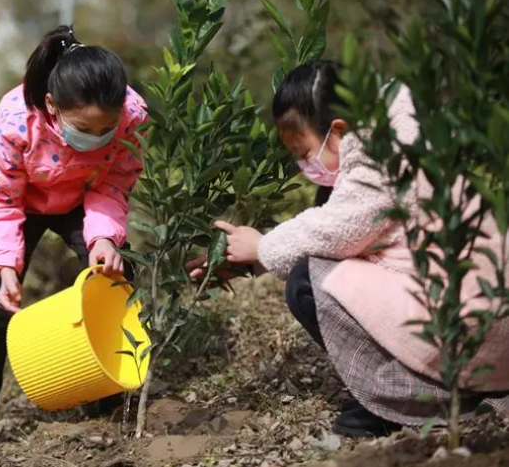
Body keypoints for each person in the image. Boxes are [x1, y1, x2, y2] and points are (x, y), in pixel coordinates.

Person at [191, 60, 509, 438]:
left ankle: (409, 398)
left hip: (473, 329)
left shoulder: (386, 152)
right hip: (479, 318)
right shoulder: (400, 136)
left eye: (304, 150)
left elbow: (340, 232)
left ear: (338, 130)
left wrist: (264, 248)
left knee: (307, 280)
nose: (303, 164)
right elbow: (355, 231)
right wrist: (250, 260)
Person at [0, 25, 147, 462]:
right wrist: (4, 269)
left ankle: (108, 389)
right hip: (17, 203)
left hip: (82, 198)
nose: (96, 136)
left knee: (118, 274)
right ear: (53, 107)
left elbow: (114, 182)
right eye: (83, 127)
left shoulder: (132, 116)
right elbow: (0, 203)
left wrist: (103, 239)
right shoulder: (14, 121)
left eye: (106, 128)